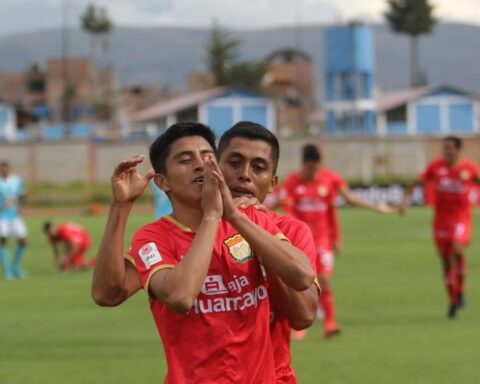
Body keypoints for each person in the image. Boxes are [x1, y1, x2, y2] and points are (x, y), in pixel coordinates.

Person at [92, 122, 314, 383]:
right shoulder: (154, 237)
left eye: (207, 157)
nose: (245, 175)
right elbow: (115, 293)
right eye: (186, 160)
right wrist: (121, 206)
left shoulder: (259, 221)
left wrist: (234, 218)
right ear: (162, 182)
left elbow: (303, 296)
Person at [217, 121, 319, 383]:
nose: (245, 175)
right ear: (214, 168)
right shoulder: (191, 232)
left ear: (272, 183)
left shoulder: (291, 232)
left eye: (258, 167)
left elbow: (304, 316)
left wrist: (261, 239)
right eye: (235, 163)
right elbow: (108, 293)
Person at [279, 144, 393, 338]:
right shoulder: (291, 182)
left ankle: (330, 323)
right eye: (310, 168)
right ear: (303, 164)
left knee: (324, 280)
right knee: (299, 281)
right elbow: (286, 209)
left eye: (316, 168)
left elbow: (351, 198)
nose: (313, 172)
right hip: (301, 240)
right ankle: (300, 325)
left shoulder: (330, 179)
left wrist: (377, 208)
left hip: (323, 239)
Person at [399, 136, 480, 318]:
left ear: (458, 149)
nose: (446, 151)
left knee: (457, 250)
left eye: (450, 148)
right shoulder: (436, 168)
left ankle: (461, 291)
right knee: (445, 261)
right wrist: (405, 200)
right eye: (445, 148)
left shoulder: (469, 168)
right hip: (441, 221)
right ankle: (452, 300)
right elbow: (416, 182)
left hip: (461, 219)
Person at [0, 160, 28, 280]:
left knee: (23, 240)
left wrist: (21, 206)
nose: (4, 170)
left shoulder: (16, 180)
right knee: (3, 241)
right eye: (2, 169)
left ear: (9, 169)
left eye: (5, 168)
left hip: (15, 216)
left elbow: (23, 194)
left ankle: (15, 267)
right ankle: (7, 271)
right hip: (2, 216)